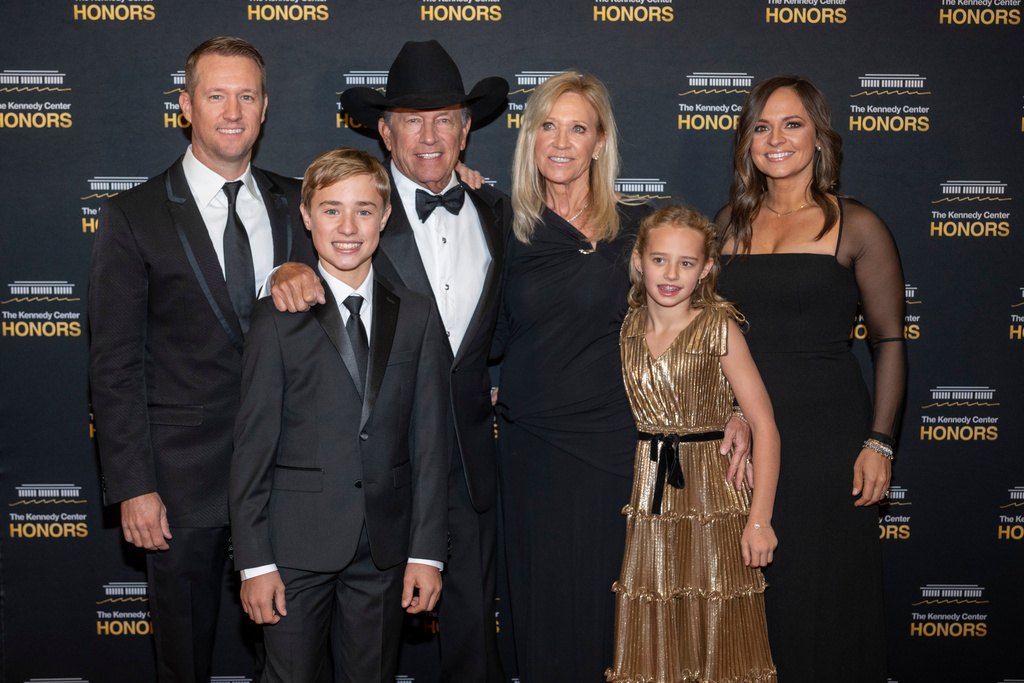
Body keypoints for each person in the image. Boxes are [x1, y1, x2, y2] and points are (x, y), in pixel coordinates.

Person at [492, 71, 751, 681]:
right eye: (547, 126)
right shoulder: (501, 225)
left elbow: (703, 321)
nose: (561, 141)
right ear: (529, 138)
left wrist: (734, 406)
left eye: (577, 127)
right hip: (532, 449)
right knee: (542, 602)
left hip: (620, 444)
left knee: (618, 607)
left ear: (600, 141)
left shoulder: (640, 228)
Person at [274, 40, 511, 682]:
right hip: (374, 475)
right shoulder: (354, 213)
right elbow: (291, 264)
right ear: (385, 130)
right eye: (412, 119)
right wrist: (285, 268)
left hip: (466, 468)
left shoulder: (497, 210)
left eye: (445, 119)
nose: (429, 135)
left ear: (466, 129)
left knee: (471, 645)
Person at [88, 37, 316, 682]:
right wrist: (133, 484)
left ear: (266, 107)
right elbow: (114, 363)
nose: (233, 110)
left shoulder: (301, 204)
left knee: (296, 655)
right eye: (216, 95)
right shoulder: (133, 216)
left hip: (290, 476)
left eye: (247, 95)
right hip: (182, 481)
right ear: (186, 106)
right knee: (184, 657)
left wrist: (461, 179)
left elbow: (384, 224)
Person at [228, 148, 449, 682]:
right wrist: (254, 561)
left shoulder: (417, 314)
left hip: (384, 552)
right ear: (306, 217)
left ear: (385, 216)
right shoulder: (276, 316)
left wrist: (426, 553)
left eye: (364, 210)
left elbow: (430, 444)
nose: (348, 227)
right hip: (293, 549)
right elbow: (252, 447)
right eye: (331, 210)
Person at [715, 75, 906, 682]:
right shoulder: (727, 225)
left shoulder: (857, 226)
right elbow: (708, 340)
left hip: (830, 441)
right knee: (754, 607)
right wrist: (729, 414)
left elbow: (890, 343)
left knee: (827, 602)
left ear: (819, 137)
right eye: (762, 126)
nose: (776, 139)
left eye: (792, 124)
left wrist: (880, 441)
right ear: (747, 141)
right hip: (746, 444)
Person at [605, 206, 779, 683]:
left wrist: (760, 520)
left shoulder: (718, 328)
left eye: (686, 263)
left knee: (718, 621)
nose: (671, 273)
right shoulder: (626, 330)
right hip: (651, 498)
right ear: (639, 261)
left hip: (714, 495)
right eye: (660, 260)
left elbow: (764, 425)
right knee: (656, 617)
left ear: (706, 269)